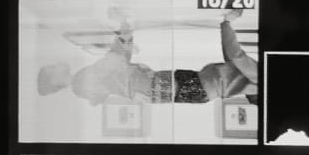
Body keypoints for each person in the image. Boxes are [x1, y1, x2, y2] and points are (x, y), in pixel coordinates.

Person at [37, 11, 259, 106]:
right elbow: (115, 61)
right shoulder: (81, 82)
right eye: (52, 69)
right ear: (55, 80)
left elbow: (116, 61)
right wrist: (124, 30)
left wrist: (125, 30)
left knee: (174, 87)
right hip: (150, 86)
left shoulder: (81, 83)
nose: (56, 64)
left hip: (154, 87)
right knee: (174, 86)